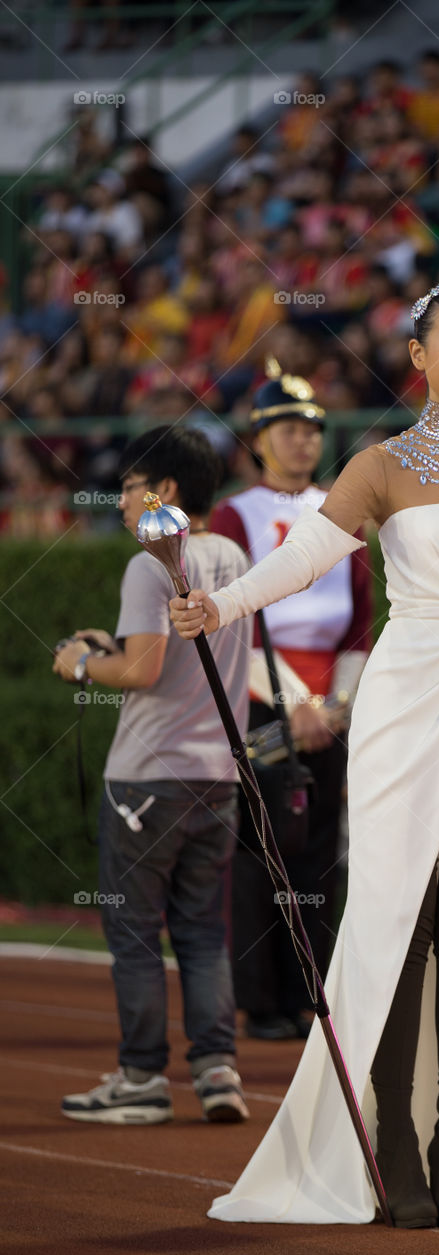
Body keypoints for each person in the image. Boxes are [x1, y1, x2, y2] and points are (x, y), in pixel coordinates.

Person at [169, 281, 439, 1227]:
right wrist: (223, 606)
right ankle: (395, 1148)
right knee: (394, 919)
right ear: (417, 356)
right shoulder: (378, 464)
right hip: (405, 695)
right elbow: (302, 560)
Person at [53, 426, 253, 1126]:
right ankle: (217, 1068)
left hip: (148, 778)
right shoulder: (230, 552)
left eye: (132, 486)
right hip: (218, 775)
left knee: (136, 933)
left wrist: (80, 663)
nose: (121, 500)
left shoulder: (149, 561)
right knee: (201, 929)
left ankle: (139, 1076)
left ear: (165, 492)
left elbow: (143, 670)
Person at [209, 369, 373, 1041]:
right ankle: (263, 997)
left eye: (311, 429)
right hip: (262, 704)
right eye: (288, 429)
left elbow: (361, 619)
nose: (303, 441)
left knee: (319, 852)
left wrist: (336, 704)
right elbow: (234, 622)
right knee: (262, 852)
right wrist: (295, 704)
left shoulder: (341, 507)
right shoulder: (233, 514)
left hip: (330, 712)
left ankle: (314, 993)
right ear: (259, 440)